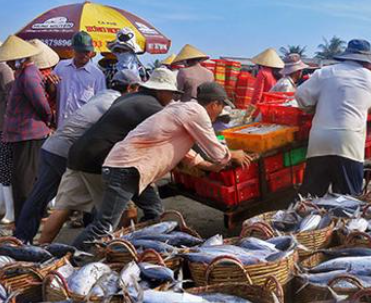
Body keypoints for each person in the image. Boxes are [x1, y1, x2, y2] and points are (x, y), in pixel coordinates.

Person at [72, 82, 252, 249]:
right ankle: (64, 261)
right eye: (221, 107)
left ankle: (141, 248)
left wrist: (206, 165)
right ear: (215, 104)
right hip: (127, 169)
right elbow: (217, 153)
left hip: (135, 170)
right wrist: (233, 155)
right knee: (104, 226)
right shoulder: (196, 113)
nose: (220, 112)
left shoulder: (182, 109)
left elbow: (178, 146)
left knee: (154, 211)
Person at [14, 70, 141, 244]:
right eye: (137, 90)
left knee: (49, 199)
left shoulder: (102, 95)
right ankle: (24, 239)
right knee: (91, 197)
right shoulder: (116, 103)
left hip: (54, 146)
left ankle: (27, 241)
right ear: (130, 87)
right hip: (65, 151)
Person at [64, 68, 176, 236]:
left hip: (91, 155)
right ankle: (79, 254)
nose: (172, 98)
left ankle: (143, 243)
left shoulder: (130, 98)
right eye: (171, 93)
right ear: (162, 91)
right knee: (106, 221)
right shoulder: (152, 107)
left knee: (153, 208)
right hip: (100, 160)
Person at [296, 39, 371, 197]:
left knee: (312, 199)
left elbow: (301, 96)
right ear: (367, 62)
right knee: (347, 200)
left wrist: (312, 108)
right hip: (349, 143)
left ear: (346, 56)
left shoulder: (324, 72)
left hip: (320, 140)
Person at [0, 35, 53, 221]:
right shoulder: (23, 74)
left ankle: (26, 220)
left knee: (24, 181)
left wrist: (48, 119)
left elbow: (41, 104)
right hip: (21, 134)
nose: (9, 62)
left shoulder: (29, 75)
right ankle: (28, 218)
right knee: (23, 179)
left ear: (20, 58)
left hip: (28, 133)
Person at [48, 31, 106, 128]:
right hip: (61, 125)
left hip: (83, 129)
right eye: (79, 51)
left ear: (92, 52)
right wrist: (50, 83)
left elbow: (100, 104)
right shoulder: (61, 67)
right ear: (73, 50)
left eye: (86, 52)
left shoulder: (97, 75)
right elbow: (52, 93)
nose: (83, 55)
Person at [0, 41, 14, 224]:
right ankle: (4, 207)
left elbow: (9, 99)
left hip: (4, 126)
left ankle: (9, 210)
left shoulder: (3, 70)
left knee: (5, 167)